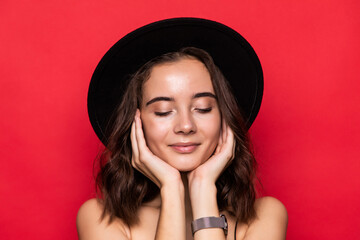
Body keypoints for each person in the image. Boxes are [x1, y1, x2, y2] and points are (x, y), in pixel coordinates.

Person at [77, 18, 288, 240]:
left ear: (224, 118)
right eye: (163, 111)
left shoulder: (264, 216)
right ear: (136, 124)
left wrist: (203, 188)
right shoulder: (100, 218)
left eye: (203, 108)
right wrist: (171, 189)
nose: (186, 126)